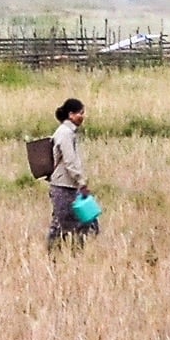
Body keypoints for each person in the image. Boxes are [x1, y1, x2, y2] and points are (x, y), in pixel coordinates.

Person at [47, 97, 98, 249]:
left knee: (82, 221)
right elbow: (70, 161)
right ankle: (56, 255)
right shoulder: (65, 133)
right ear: (71, 114)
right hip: (63, 185)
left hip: (67, 185)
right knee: (62, 224)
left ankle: (74, 251)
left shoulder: (67, 132)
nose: (82, 116)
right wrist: (81, 182)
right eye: (80, 113)